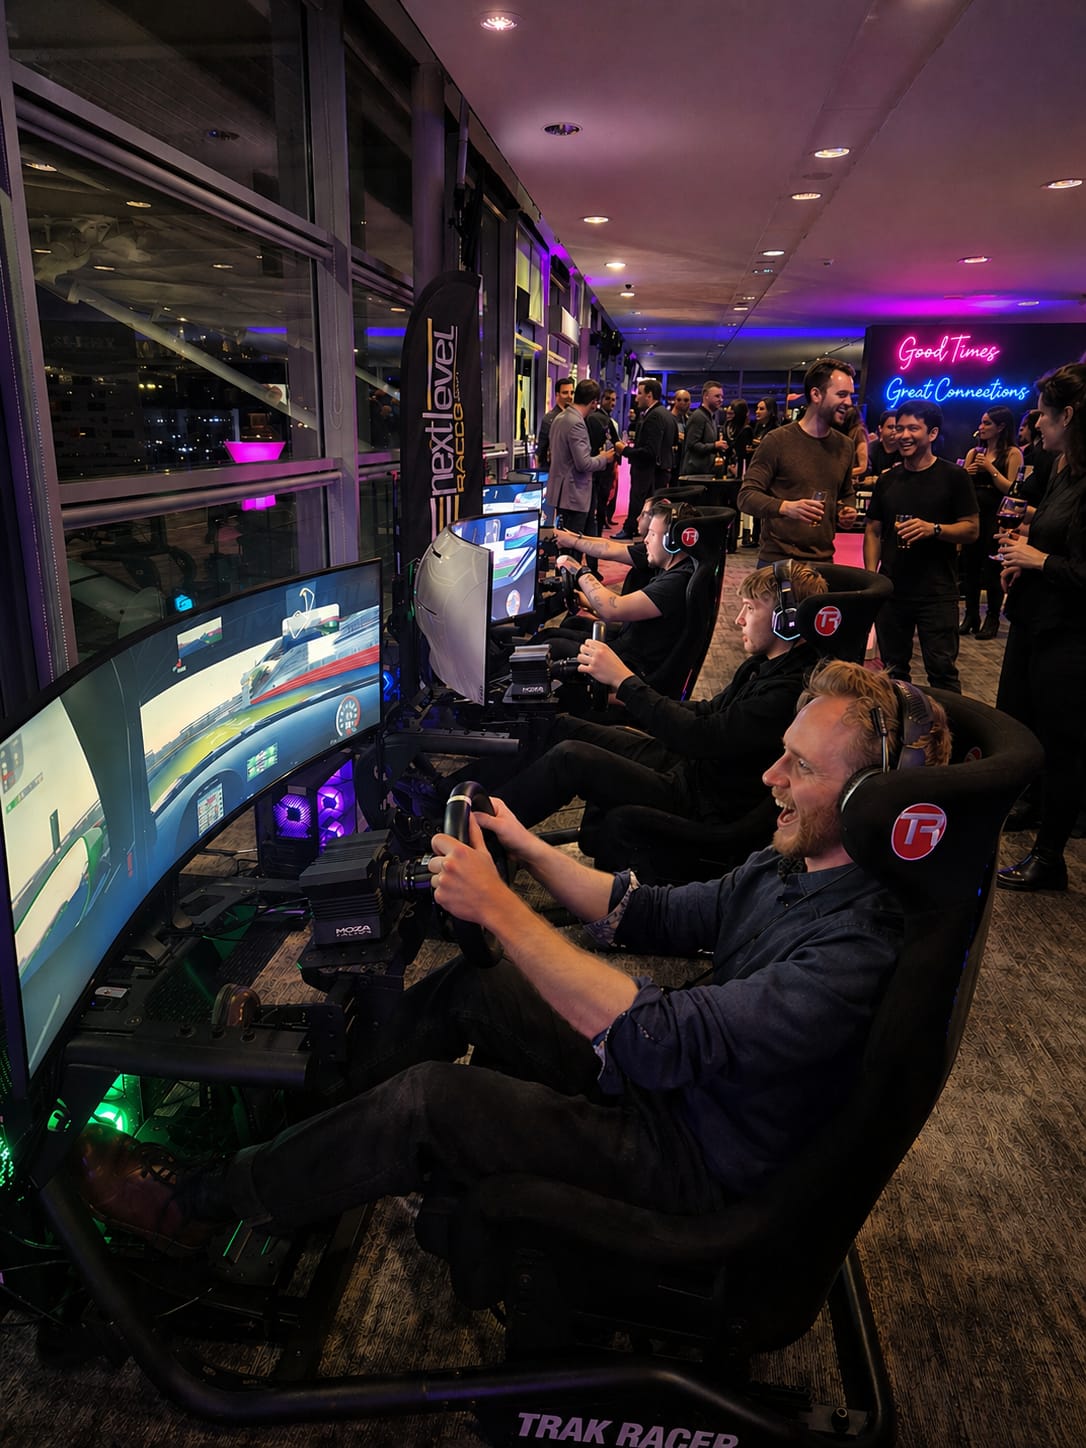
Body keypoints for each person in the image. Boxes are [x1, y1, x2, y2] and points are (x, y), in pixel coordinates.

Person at [71, 661, 950, 1256]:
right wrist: (527, 849)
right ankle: (311, 1133)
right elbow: (643, 910)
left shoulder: (856, 952)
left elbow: (655, 1035)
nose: (770, 779)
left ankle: (198, 1202)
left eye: (797, 767)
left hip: (690, 1159)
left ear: (875, 803)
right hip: (681, 1086)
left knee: (431, 1102)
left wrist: (497, 907)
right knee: (474, 985)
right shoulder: (795, 865)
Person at [496, 563, 828, 853]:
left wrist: (624, 679)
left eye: (750, 609)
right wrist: (622, 692)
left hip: (699, 799)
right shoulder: (764, 666)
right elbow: (707, 712)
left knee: (570, 758)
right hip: (690, 767)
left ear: (787, 621)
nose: (738, 619)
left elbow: (701, 737)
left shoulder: (787, 692)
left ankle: (480, 835)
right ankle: (463, 798)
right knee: (562, 728)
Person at [994, 362, 1086, 892]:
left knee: (1061, 744)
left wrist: (1039, 562)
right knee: (1021, 725)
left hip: (1070, 636)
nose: (1038, 427)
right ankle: (1031, 807)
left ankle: (1051, 857)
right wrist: (1022, 562)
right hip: (1034, 621)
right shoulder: (1060, 468)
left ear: (1068, 415)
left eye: (1045, 417)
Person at [863, 400, 978, 693]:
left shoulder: (954, 476)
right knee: (893, 672)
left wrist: (934, 529)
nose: (903, 435)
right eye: (898, 428)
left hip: (936, 592)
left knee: (942, 673)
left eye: (913, 428)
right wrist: (872, 577)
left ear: (932, 433)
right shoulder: (888, 480)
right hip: (892, 590)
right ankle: (899, 731)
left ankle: (946, 736)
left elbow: (971, 529)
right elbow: (874, 530)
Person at [543, 500, 697, 683]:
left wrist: (579, 571)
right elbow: (607, 547)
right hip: (629, 646)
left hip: (631, 668)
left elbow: (612, 609)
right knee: (557, 631)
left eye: (653, 534)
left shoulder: (677, 582)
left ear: (671, 542)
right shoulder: (670, 566)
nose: (646, 539)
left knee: (550, 645)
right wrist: (587, 600)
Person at [738, 358, 859, 564]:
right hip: (778, 562)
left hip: (823, 561)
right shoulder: (778, 440)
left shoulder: (845, 446)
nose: (848, 402)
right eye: (841, 394)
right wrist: (787, 507)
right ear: (816, 395)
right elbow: (746, 497)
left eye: (850, 395)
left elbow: (846, 493)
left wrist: (846, 510)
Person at [959, 406, 1024, 639]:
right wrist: (965, 472)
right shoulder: (973, 452)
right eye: (981, 422)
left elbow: (1013, 489)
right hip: (974, 515)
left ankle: (993, 617)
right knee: (970, 568)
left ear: (1001, 426)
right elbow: (964, 487)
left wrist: (990, 469)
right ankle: (971, 614)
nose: (981, 427)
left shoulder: (1012, 453)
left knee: (993, 569)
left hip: (997, 518)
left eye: (987, 423)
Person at [544, 379, 616, 538]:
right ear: (593, 402)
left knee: (564, 542)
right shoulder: (576, 423)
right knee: (573, 547)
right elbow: (583, 463)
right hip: (573, 495)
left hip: (562, 493)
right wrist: (604, 458)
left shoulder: (560, 417)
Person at [613, 378, 677, 538]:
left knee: (642, 503)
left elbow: (649, 451)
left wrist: (624, 450)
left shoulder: (654, 416)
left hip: (648, 473)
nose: (636, 397)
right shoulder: (667, 415)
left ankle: (630, 529)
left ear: (649, 395)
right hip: (660, 471)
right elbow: (674, 441)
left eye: (639, 393)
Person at [587, 386, 622, 534]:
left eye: (613, 399)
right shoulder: (596, 419)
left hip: (603, 466)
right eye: (608, 399)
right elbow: (614, 442)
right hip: (599, 466)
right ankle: (597, 530)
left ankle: (598, 528)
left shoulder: (607, 420)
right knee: (598, 501)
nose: (611, 402)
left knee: (599, 500)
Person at [681, 380, 726, 477]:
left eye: (722, 397)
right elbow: (692, 445)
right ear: (706, 396)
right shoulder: (698, 416)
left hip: (705, 472)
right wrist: (715, 445)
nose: (721, 400)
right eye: (717, 396)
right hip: (695, 474)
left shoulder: (712, 417)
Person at [535, 376, 574, 471]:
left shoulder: (576, 417)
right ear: (557, 395)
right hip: (554, 471)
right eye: (565, 393)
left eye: (572, 392)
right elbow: (541, 452)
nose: (570, 396)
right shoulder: (549, 419)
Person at [866, 410, 900, 477]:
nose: (894, 431)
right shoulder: (870, 450)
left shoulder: (906, 451)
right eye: (890, 427)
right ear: (880, 428)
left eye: (897, 427)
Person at [669, 388, 692, 484]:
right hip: (672, 463)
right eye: (679, 400)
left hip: (685, 463)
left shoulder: (689, 419)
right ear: (674, 400)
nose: (683, 403)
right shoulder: (668, 418)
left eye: (686, 400)